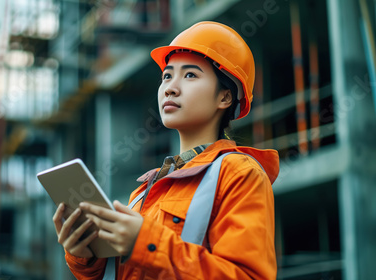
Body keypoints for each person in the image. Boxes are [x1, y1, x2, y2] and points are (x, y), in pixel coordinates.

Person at [52, 21, 279, 279]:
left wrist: (144, 242)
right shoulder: (145, 191)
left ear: (225, 97)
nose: (170, 87)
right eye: (167, 76)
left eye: (190, 75)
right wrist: (84, 255)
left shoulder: (239, 174)